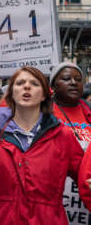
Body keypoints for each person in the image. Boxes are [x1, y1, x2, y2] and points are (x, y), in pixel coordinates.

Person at [0, 66, 84, 225]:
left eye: (34, 83)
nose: (26, 86)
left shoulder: (63, 135)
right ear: (11, 92)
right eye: (20, 83)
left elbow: (84, 175)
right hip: (1, 219)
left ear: (43, 95)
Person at [49, 62, 91, 224]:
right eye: (66, 79)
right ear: (53, 85)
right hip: (58, 195)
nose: (73, 82)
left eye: (78, 79)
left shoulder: (89, 111)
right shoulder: (42, 114)